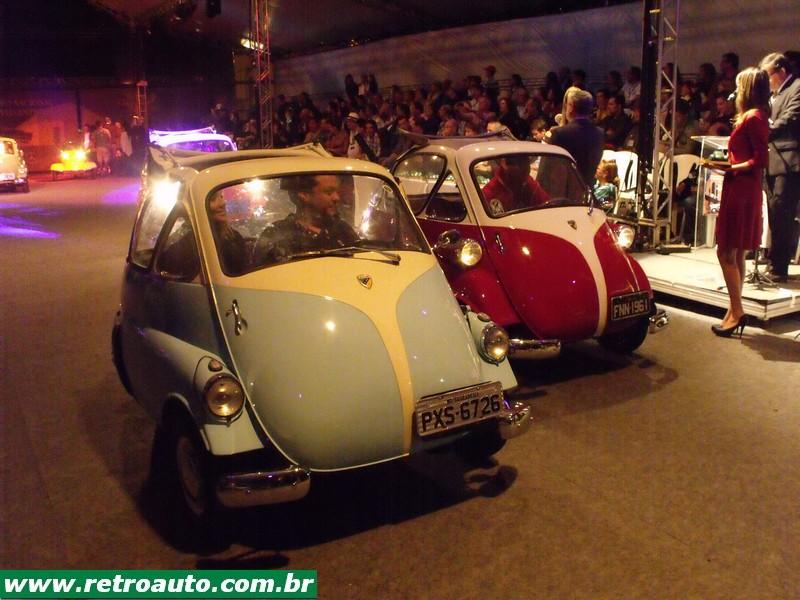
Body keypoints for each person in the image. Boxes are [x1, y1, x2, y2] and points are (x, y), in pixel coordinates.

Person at [708, 67, 770, 337]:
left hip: (742, 188)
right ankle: (733, 311)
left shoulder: (754, 117)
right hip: (742, 186)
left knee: (725, 252)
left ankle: (737, 310)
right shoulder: (753, 116)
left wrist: (731, 168)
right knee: (737, 252)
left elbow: (761, 159)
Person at [253, 174, 358, 265]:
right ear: (304, 195)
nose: (336, 198)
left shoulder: (342, 230)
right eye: (329, 192)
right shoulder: (277, 236)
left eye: (336, 191)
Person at [759, 52, 800, 282]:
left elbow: (791, 118)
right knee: (774, 213)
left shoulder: (797, 87)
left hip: (789, 161)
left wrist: (765, 131)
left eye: (768, 75)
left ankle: (779, 267)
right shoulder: (774, 94)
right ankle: (773, 260)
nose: (767, 81)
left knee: (783, 213)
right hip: (771, 161)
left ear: (781, 71)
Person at [546, 87, 605, 186]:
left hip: (565, 190)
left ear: (571, 107)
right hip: (588, 189)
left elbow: (550, 168)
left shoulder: (559, 133)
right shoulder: (600, 133)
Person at [482, 155, 550, 215]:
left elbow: (547, 204)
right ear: (504, 165)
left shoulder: (527, 182)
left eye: (526, 162)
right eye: (520, 163)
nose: (525, 170)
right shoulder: (489, 193)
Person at [208, 190, 248, 275]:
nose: (223, 203)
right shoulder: (192, 243)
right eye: (213, 199)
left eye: (221, 196)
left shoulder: (234, 237)